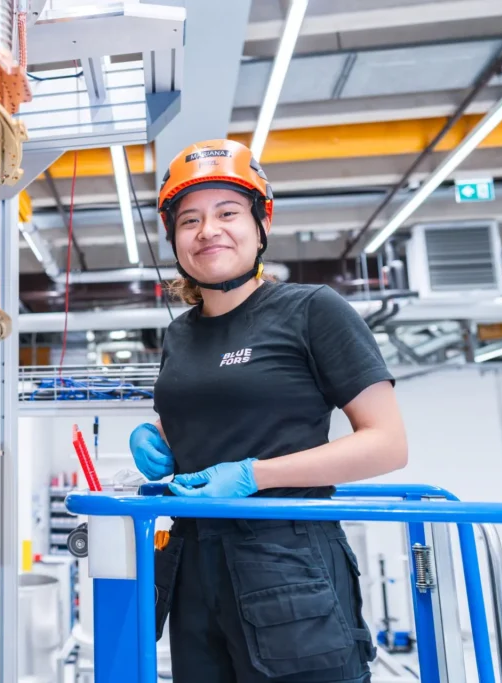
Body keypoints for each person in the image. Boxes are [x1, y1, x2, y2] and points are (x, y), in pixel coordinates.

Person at [130, 139, 408, 683]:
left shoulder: (312, 310)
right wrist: (156, 432)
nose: (208, 230)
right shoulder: (180, 334)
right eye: (189, 220)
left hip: (288, 557)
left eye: (228, 212)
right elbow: (215, 406)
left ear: (261, 225)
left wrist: (255, 475)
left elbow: (388, 443)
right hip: (192, 562)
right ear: (174, 240)